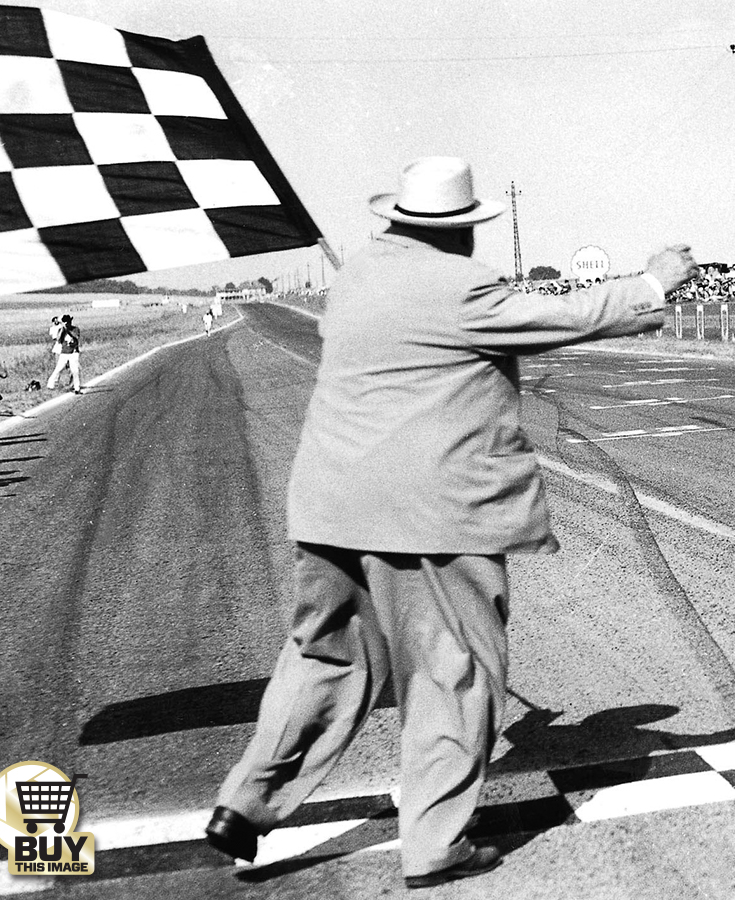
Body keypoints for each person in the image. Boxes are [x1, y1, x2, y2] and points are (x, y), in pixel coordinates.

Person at [204, 156, 698, 889]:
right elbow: (563, 316)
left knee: (322, 659)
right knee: (453, 674)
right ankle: (435, 844)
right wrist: (654, 281)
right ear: (457, 231)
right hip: (430, 516)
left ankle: (245, 804)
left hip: (329, 504)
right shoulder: (460, 287)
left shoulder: (358, 276)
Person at [45, 314, 83, 393]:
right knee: (58, 369)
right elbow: (59, 340)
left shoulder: (75, 329)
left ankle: (77, 388)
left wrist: (68, 331)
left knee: (75, 370)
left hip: (74, 352)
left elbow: (75, 338)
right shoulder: (61, 330)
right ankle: (50, 384)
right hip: (64, 353)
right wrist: (63, 329)